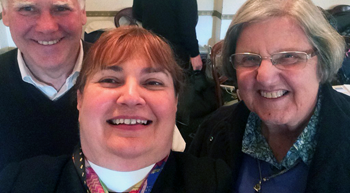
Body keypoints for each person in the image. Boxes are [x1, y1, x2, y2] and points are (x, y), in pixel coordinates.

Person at [0, 26, 232, 193]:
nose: (131, 97)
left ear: (175, 102)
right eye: (110, 80)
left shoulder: (215, 182)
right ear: (79, 99)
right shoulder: (21, 182)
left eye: (153, 82)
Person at [189, 0, 350, 192]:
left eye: (288, 56)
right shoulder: (214, 131)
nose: (264, 76)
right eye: (249, 58)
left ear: (322, 62)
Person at [0, 0, 88, 171]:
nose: (47, 27)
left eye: (61, 8)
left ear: (82, 12)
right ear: (5, 13)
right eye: (27, 9)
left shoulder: (122, 73)